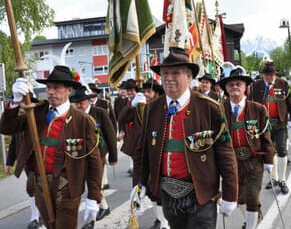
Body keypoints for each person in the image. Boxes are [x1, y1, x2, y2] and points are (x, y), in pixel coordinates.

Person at [132, 47, 238, 229]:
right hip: (168, 195)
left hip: (202, 194)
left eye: (175, 73)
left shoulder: (209, 108)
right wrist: (139, 184)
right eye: (165, 73)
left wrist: (230, 194)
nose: (168, 78)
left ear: (189, 77)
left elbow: (226, 154)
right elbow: (143, 152)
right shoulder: (152, 109)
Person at [0, 65, 103, 229]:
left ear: (69, 90)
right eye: (48, 87)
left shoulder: (82, 120)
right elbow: (6, 128)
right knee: (50, 226)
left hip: (67, 187)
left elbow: (94, 162)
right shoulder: (35, 113)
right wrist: (15, 101)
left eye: (56, 88)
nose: (51, 92)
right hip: (40, 185)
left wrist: (93, 196)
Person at [219, 67, 274, 229]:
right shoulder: (219, 110)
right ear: (226, 89)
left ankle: (252, 226)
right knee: (241, 198)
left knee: (252, 197)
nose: (235, 87)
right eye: (231, 84)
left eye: (238, 84)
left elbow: (267, 138)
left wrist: (269, 161)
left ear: (245, 87)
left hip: (253, 161)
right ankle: (252, 219)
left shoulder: (258, 109)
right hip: (231, 163)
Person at [121, 78, 169, 229]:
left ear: (157, 93)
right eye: (144, 91)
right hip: (141, 153)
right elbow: (121, 119)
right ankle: (159, 218)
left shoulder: (165, 107)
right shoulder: (140, 106)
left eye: (149, 91)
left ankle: (164, 222)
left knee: (160, 191)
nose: (146, 94)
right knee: (148, 191)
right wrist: (132, 105)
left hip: (159, 154)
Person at [70, 85, 118, 223]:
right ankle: (104, 206)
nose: (79, 105)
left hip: (99, 154)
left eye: (81, 102)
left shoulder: (100, 112)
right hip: (81, 155)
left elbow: (110, 135)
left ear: (88, 101)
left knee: (95, 184)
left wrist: (113, 156)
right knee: (92, 184)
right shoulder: (73, 115)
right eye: (77, 102)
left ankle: (92, 218)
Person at [250, 62, 291, 194]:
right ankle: (274, 178)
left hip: (280, 123)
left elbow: (290, 104)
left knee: (282, 150)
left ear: (275, 74)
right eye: (267, 75)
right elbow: (251, 105)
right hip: (264, 125)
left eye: (272, 75)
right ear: (263, 75)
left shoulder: (283, 84)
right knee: (270, 151)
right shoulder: (256, 86)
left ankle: (282, 180)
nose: (270, 78)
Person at [5, 93, 42, 229]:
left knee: (34, 186)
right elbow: (14, 143)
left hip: (40, 160)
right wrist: (10, 162)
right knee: (32, 188)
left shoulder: (38, 120)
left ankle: (37, 216)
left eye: (23, 104)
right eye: (19, 104)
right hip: (26, 162)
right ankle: (36, 216)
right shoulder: (18, 121)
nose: (20, 107)